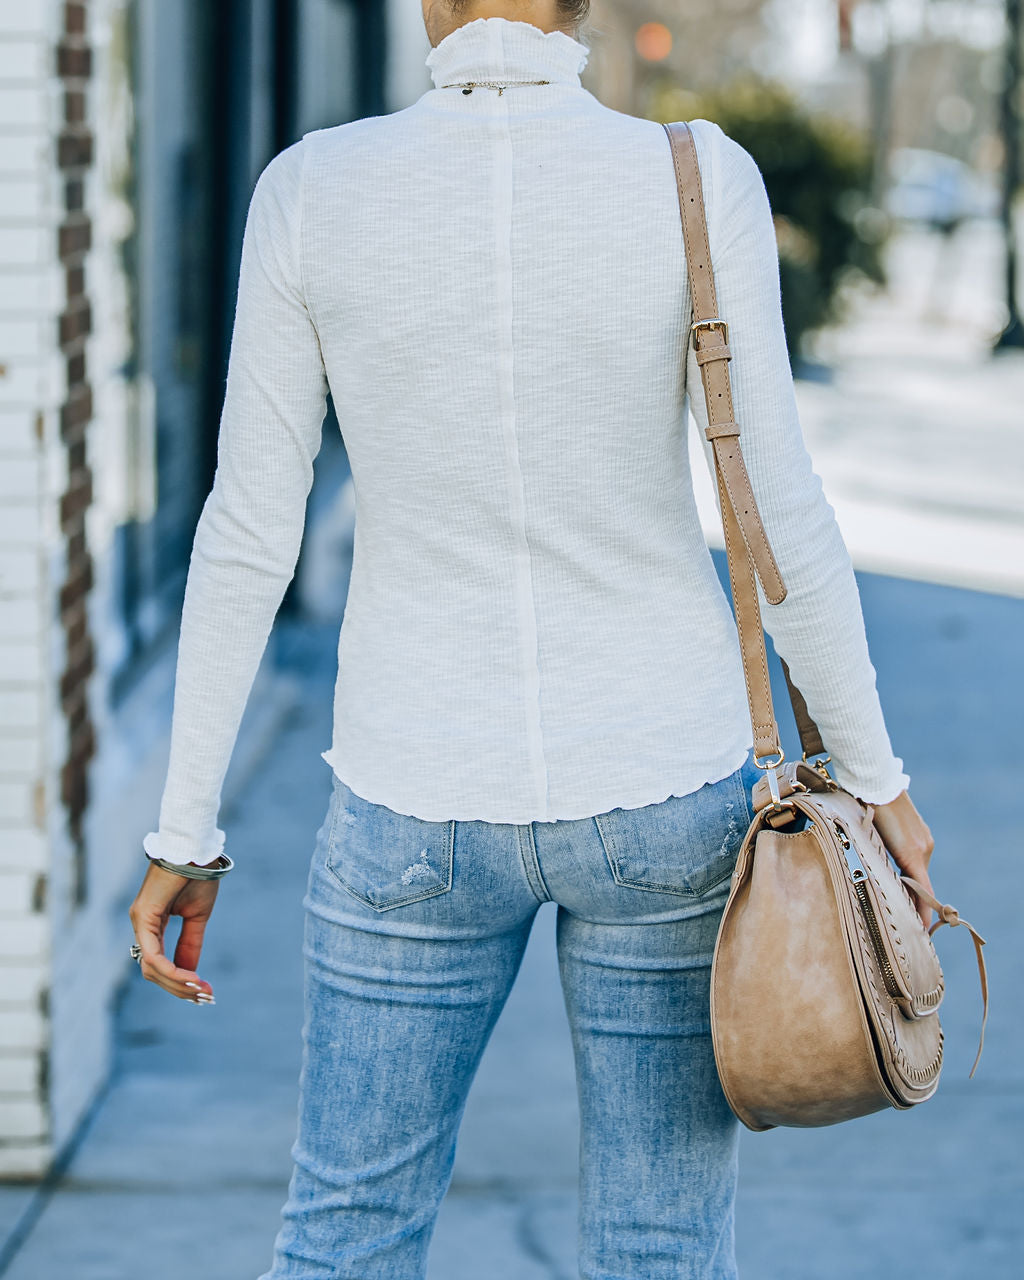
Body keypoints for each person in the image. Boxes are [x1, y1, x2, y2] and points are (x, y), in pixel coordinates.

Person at [129, 2, 936, 1275]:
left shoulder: (313, 191)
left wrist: (187, 827)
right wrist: (879, 780)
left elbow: (247, 530)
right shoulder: (692, 176)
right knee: (661, 1242)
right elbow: (782, 516)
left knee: (345, 1234)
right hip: (665, 783)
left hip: (412, 788)